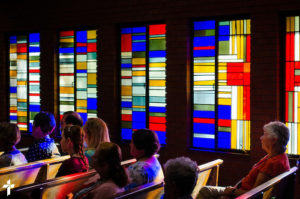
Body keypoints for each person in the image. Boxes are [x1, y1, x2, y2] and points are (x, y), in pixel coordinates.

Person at [198, 121, 291, 199]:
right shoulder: (279, 157)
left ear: (274, 140)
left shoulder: (272, 163)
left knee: (205, 190)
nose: (261, 138)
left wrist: (232, 191)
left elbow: (254, 193)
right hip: (239, 190)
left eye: (264, 134)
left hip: (241, 195)